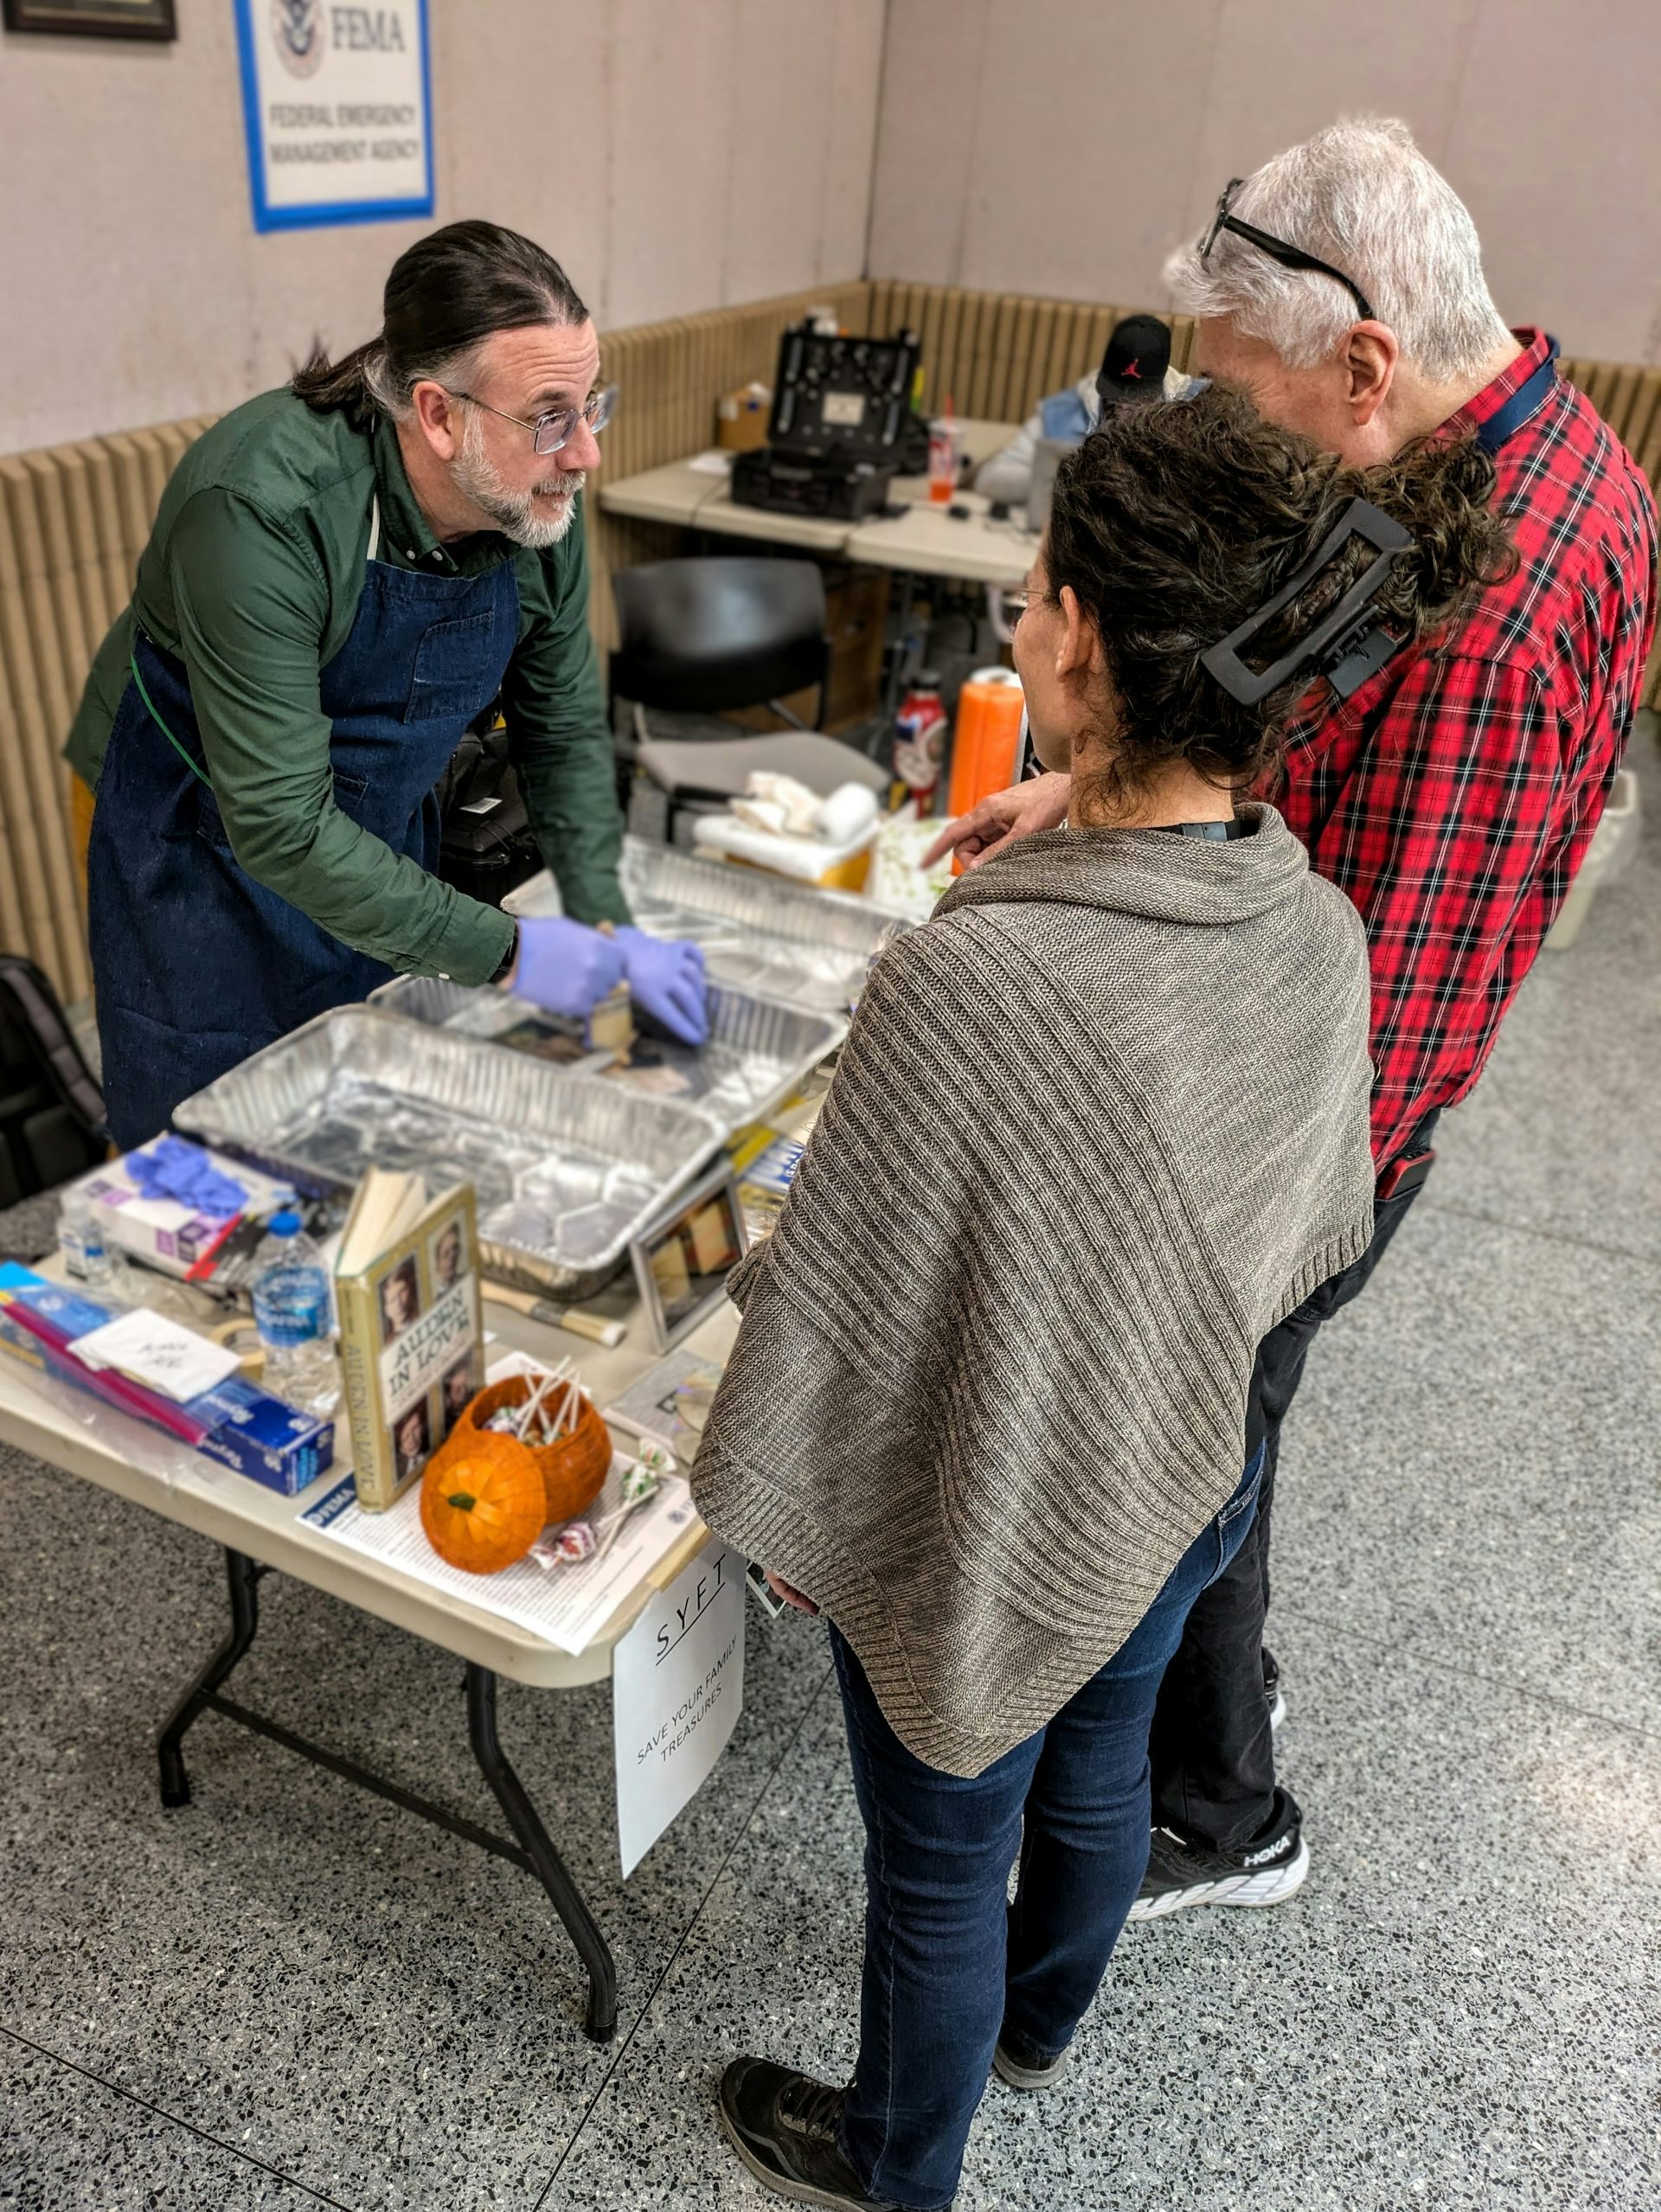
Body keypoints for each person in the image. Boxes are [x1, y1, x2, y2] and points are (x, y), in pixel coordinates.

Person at [689, 386, 1514, 2211]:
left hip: (990, 1531)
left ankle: (900, 2164)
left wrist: (785, 1500)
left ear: (1075, 635)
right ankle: (1044, 2026)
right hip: (1183, 1474)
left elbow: (845, 1332)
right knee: (1101, 1772)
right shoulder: (1308, 921)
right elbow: (1280, 1224)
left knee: (934, 1864)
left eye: (1036, 584)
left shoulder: (976, 986)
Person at [928, 119, 1658, 1919]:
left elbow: (1366, 1035)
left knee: (1199, 1452)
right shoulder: (1501, 449)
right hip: (1318, 1055)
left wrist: (1158, 1192)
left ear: (1360, 357)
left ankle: (1211, 1816)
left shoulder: (1495, 614)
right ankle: (1216, 1730)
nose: (1238, 440)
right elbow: (1311, 707)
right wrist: (1107, 796)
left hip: (1322, 1139)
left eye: (1244, 401)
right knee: (1232, 1442)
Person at [67, 220, 708, 1150]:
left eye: (589, 407)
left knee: (364, 1109)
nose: (584, 456)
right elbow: (281, 824)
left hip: (375, 822)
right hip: (200, 844)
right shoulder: (260, 509)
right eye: (548, 418)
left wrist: (608, 921)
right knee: (214, 1144)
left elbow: (562, 734)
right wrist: (516, 954)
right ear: (439, 415)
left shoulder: (535, 512)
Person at [973, 312, 1195, 511]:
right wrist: (1067, 481)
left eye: (1139, 402)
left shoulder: (1197, 410)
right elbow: (989, 480)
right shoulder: (1065, 410)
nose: (1126, 409)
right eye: (1116, 398)